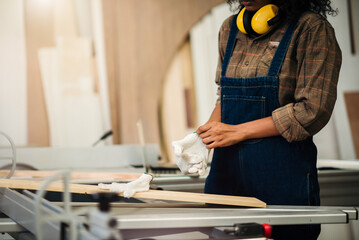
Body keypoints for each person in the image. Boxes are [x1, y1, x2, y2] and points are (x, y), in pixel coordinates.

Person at [195, 0, 342, 239]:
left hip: (282, 179)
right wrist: (201, 140)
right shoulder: (229, 29)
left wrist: (238, 131)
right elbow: (225, 95)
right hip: (226, 177)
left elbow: (312, 111)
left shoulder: (311, 29)